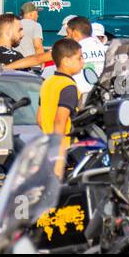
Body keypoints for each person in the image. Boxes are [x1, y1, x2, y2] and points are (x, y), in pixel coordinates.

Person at [38, 39, 85, 173]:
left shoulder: (47, 82)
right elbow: (60, 121)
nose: (83, 62)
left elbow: (40, 119)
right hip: (65, 153)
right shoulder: (68, 86)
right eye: (79, 58)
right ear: (65, 61)